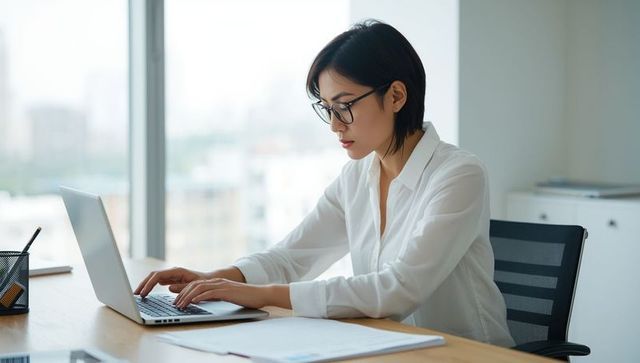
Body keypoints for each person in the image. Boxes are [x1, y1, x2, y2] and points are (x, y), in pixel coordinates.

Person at [135, 19, 514, 347]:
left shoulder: (458, 174)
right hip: (391, 348)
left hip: (467, 353)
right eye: (328, 109)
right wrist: (216, 279)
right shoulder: (357, 175)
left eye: (345, 105)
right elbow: (292, 257)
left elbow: (397, 290)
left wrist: (258, 295)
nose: (335, 125)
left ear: (396, 95)